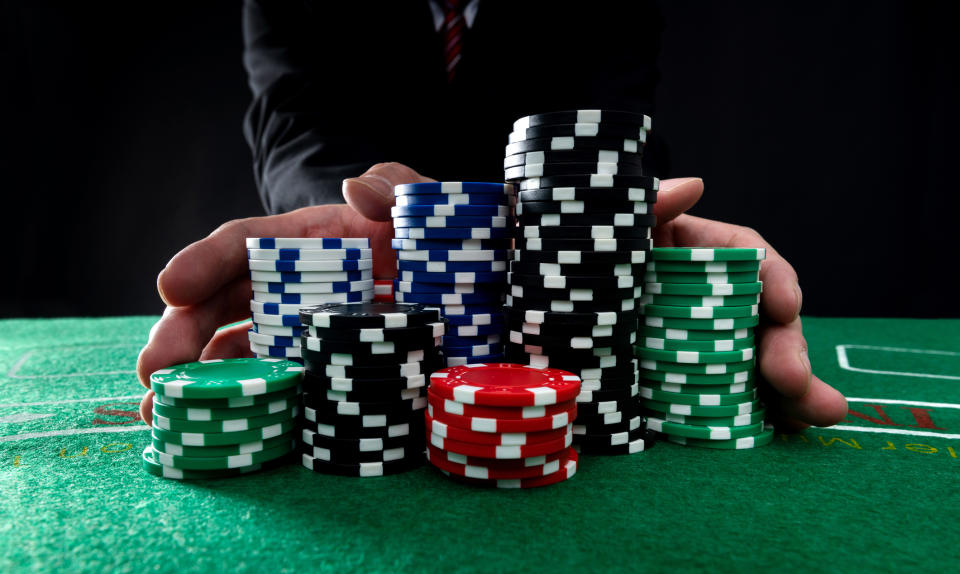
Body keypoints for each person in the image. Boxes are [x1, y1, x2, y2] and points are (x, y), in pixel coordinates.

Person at [136, 1, 848, 431]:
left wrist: (618, 223)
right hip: (377, 263)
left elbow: (616, 125)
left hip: (564, 289)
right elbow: (293, 121)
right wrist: (366, 224)